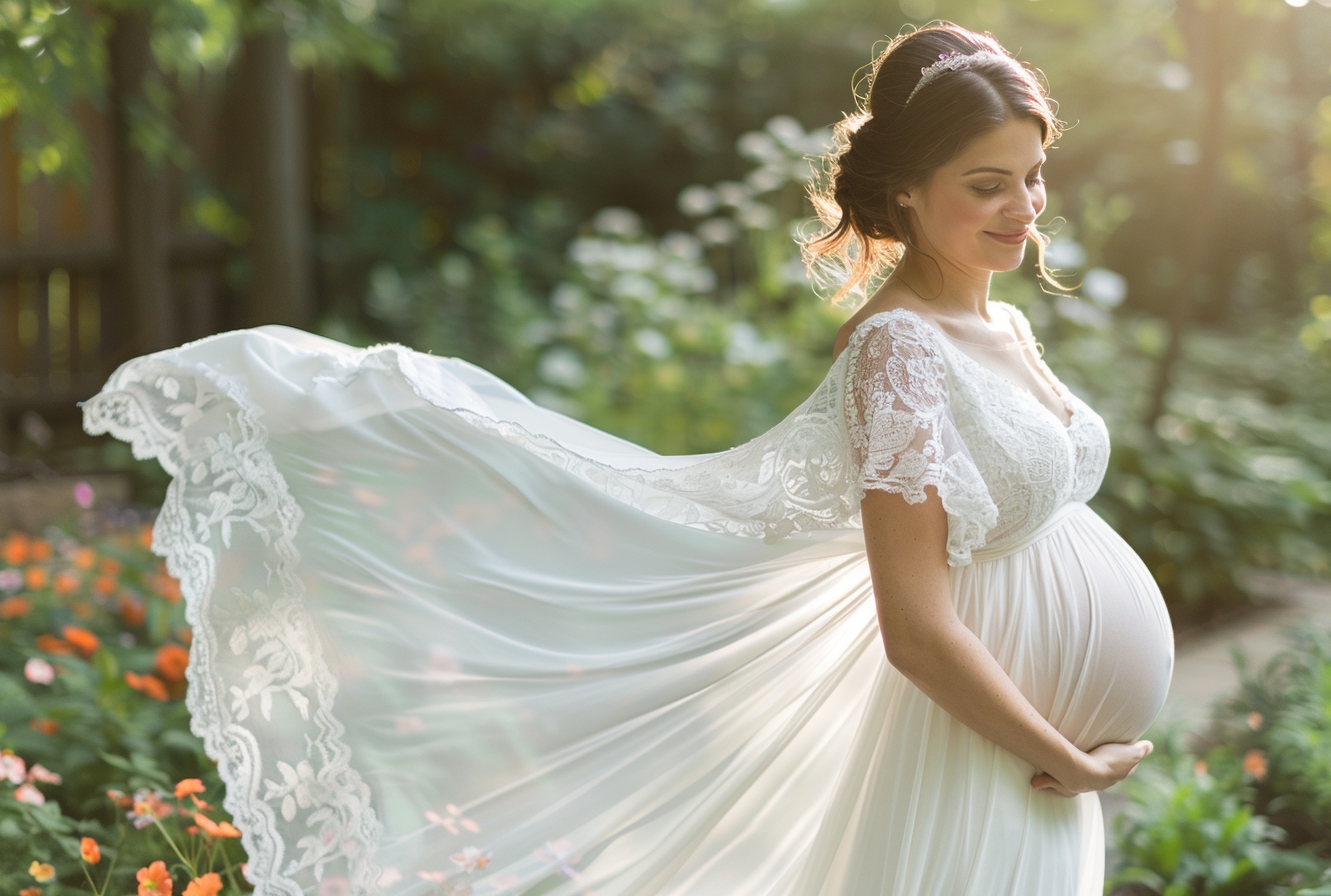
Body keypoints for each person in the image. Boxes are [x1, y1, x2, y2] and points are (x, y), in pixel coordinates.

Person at [80, 20, 1173, 896]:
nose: (1024, 210)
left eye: (1032, 177)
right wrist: (1066, 755)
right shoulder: (898, 349)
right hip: (984, 754)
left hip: (1027, 754)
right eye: (988, 183)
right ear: (903, 193)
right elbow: (916, 625)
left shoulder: (1007, 325)